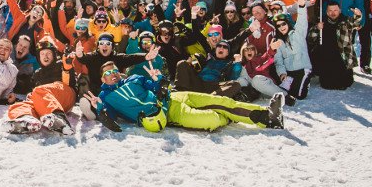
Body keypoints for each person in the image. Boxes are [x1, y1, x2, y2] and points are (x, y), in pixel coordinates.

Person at [83, 61, 285, 132]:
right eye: (108, 73)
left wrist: (159, 78)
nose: (113, 74)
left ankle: (267, 117)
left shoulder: (135, 78)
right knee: (212, 119)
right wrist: (98, 107)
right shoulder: (105, 97)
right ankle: (233, 114)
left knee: (221, 101)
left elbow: (156, 86)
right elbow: (111, 120)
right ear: (102, 78)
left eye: (115, 71)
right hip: (167, 113)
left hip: (176, 96)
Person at [2, 38, 83, 135]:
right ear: (39, 57)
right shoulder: (37, 74)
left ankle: (59, 118)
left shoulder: (61, 64)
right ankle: (27, 120)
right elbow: (27, 88)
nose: (45, 56)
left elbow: (69, 83)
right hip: (46, 101)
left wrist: (67, 67)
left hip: (65, 95)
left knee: (39, 90)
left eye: (48, 53)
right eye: (42, 54)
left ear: (54, 55)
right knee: (20, 105)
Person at [307, 2, 362, 90]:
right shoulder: (321, 21)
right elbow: (310, 38)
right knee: (327, 84)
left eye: (335, 10)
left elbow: (355, 23)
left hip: (342, 57)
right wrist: (316, 28)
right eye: (330, 10)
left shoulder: (345, 21)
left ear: (339, 11)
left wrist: (358, 15)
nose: (333, 13)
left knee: (346, 83)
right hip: (327, 58)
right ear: (327, 12)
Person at [272, 0, 312, 100]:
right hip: (289, 72)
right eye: (278, 26)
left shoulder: (298, 33)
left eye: (283, 24)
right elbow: (278, 60)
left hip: (302, 69)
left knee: (299, 96)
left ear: (288, 24)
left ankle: (305, 81)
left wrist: (302, 6)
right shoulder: (277, 41)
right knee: (287, 94)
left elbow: (302, 21)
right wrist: (282, 73)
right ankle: (291, 83)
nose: (282, 27)